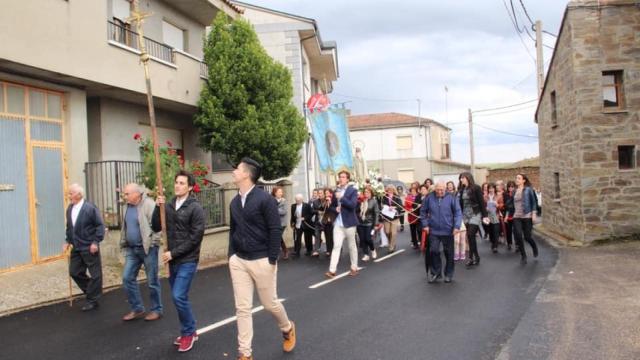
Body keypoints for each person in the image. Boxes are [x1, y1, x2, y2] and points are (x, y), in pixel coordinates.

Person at [228, 158, 296, 359]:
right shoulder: (234, 201)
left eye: (237, 169)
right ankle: (245, 353)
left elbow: (275, 229)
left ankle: (287, 327)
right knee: (242, 308)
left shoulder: (264, 200)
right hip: (239, 261)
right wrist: (231, 256)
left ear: (247, 175)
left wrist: (272, 259)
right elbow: (233, 231)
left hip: (262, 260)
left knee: (269, 304)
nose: (234, 171)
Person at [152, 170, 205, 353]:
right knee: (179, 297)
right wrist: (156, 207)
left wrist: (173, 254)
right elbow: (156, 226)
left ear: (190, 187)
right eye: (176, 182)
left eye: (182, 183)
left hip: (187, 259)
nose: (177, 185)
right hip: (173, 260)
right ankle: (190, 329)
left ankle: (188, 333)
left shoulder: (195, 208)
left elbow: (195, 237)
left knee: (178, 296)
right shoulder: (169, 205)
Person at [120, 183, 163, 321]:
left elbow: (157, 226)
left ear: (137, 194)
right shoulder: (126, 207)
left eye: (127, 194)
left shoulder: (148, 204)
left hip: (147, 249)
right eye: (124, 194)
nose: (124, 196)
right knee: (127, 278)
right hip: (132, 250)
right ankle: (137, 308)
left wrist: (153, 243)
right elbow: (125, 227)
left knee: (152, 281)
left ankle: (156, 310)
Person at [64, 183, 105, 312]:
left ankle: (92, 300)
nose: (68, 195)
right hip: (76, 246)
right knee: (74, 272)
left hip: (89, 246)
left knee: (95, 274)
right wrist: (67, 240)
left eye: (71, 193)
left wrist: (95, 242)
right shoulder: (70, 208)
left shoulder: (90, 208)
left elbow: (100, 226)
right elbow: (70, 228)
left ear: (79, 195)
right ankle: (92, 292)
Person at [420, 182, 462, 283]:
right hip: (433, 230)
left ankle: (448, 274)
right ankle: (436, 273)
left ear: (445, 189)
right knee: (433, 251)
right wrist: (425, 225)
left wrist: (456, 226)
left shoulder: (452, 197)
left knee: (449, 253)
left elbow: (458, 213)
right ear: (435, 189)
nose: (439, 192)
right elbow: (423, 212)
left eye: (442, 190)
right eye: (437, 190)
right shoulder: (429, 197)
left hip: (448, 230)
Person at [326, 170, 359, 278]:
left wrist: (342, 198)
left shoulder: (353, 191)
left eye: (343, 177)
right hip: (338, 224)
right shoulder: (336, 191)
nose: (341, 179)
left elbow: (353, 205)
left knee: (351, 246)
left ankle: (354, 267)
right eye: (340, 177)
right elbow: (331, 206)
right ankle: (332, 270)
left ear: (347, 179)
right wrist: (335, 208)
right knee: (336, 246)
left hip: (349, 223)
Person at [458, 172, 489, 268]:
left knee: (471, 234)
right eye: (460, 178)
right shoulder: (462, 189)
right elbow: (460, 204)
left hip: (475, 213)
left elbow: (481, 202)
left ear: (467, 178)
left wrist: (485, 215)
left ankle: (471, 257)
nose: (461, 180)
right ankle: (475, 257)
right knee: (470, 237)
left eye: (462, 178)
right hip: (465, 215)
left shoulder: (476, 188)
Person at [512, 173, 539, 265]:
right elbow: (512, 204)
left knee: (527, 237)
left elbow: (534, 202)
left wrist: (534, 213)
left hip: (527, 215)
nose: (517, 179)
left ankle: (534, 247)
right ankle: (523, 256)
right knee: (518, 235)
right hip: (517, 216)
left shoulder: (528, 190)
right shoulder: (514, 191)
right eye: (516, 178)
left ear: (524, 180)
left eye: (519, 178)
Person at [357, 187, 379, 262]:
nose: (366, 193)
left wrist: (376, 224)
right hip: (360, 222)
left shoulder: (374, 201)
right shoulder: (361, 201)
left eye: (368, 192)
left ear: (371, 193)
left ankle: (373, 250)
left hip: (369, 223)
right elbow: (357, 210)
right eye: (365, 192)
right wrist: (359, 200)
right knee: (362, 239)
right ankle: (366, 254)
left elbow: (376, 213)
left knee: (368, 239)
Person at [381, 185, 403, 253]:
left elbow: (400, 207)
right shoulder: (384, 197)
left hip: (394, 217)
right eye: (388, 190)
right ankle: (391, 242)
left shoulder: (397, 197)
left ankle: (391, 247)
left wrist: (394, 208)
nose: (389, 191)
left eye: (391, 190)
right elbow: (382, 206)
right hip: (386, 217)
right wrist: (385, 207)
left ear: (393, 190)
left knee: (393, 233)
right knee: (387, 232)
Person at [271, 187, 289, 260]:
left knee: (277, 238)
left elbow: (284, 212)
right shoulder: (271, 200)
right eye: (279, 192)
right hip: (274, 223)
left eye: (281, 192)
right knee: (279, 238)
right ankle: (285, 251)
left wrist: (274, 210)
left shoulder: (284, 201)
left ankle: (276, 254)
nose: (281, 193)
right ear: (275, 193)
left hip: (282, 223)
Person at [485, 183, 502, 254]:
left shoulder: (498, 196)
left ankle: (495, 246)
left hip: (496, 215)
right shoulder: (485, 197)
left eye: (492, 188)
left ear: (494, 189)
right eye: (489, 188)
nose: (491, 189)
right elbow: (482, 205)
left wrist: (498, 205)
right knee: (491, 231)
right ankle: (492, 242)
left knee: (496, 231)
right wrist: (485, 208)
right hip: (488, 216)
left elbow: (502, 205)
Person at [320, 188, 337, 257]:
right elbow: (321, 208)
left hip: (333, 220)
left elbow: (335, 209)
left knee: (333, 236)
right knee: (327, 236)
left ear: (330, 193)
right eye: (325, 193)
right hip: (326, 220)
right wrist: (325, 203)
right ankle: (328, 250)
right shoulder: (324, 200)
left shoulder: (334, 200)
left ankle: (335, 249)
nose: (326, 194)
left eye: (327, 193)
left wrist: (330, 202)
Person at [404, 185, 421, 249]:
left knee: (419, 230)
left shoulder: (419, 197)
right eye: (412, 191)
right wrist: (409, 210)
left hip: (418, 216)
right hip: (411, 216)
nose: (413, 192)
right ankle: (415, 243)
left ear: (416, 191)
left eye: (414, 191)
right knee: (413, 230)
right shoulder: (407, 198)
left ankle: (420, 241)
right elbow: (405, 206)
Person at [311, 188, 325, 257]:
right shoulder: (315, 202)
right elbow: (312, 211)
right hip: (318, 221)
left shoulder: (327, 200)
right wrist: (318, 211)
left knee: (328, 236)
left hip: (326, 221)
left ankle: (329, 249)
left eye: (321, 193)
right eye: (318, 193)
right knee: (317, 235)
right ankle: (316, 250)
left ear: (324, 194)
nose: (319, 194)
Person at [503, 181, 516, 251]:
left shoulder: (516, 194)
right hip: (508, 215)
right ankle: (509, 243)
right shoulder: (505, 194)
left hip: (515, 214)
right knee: (508, 230)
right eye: (509, 187)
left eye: (512, 187)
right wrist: (506, 215)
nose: (510, 188)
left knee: (516, 231)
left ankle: (517, 244)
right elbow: (506, 205)